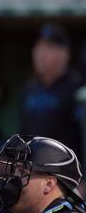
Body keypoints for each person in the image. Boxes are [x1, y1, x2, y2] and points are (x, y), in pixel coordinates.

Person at [19, 23, 84, 162]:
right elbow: (24, 133)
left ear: (64, 54)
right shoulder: (29, 89)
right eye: (38, 47)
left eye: (48, 47)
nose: (40, 54)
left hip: (67, 173)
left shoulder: (76, 86)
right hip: (36, 171)